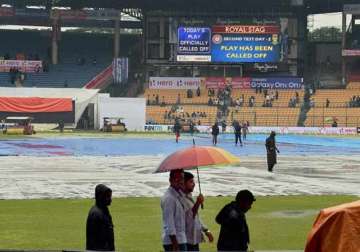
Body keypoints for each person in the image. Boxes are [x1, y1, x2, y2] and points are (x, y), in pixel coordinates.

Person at [181, 172, 213, 251]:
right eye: (191, 182)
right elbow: (190, 217)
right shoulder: (180, 199)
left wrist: (206, 230)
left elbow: (196, 217)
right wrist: (198, 203)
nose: (194, 184)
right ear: (183, 183)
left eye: (193, 181)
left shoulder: (189, 196)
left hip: (193, 239)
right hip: (186, 240)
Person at [161, 169, 187, 252]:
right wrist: (175, 245)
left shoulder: (178, 195)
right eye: (177, 178)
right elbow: (169, 224)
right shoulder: (169, 198)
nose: (180, 181)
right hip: (174, 242)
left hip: (181, 239)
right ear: (170, 180)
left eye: (182, 178)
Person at [86, 184, 115, 251]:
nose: (110, 200)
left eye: (110, 197)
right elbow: (93, 240)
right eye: (108, 197)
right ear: (100, 197)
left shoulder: (103, 210)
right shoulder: (96, 214)